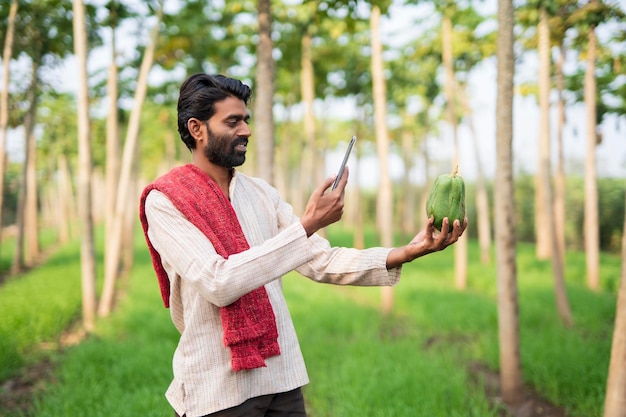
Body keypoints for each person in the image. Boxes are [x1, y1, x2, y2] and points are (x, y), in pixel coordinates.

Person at [139, 73, 467, 417]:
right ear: (197, 128)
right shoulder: (164, 202)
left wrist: (410, 251)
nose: (246, 130)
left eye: (246, 120)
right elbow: (218, 283)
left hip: (282, 377)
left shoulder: (261, 194)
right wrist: (308, 224)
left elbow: (319, 260)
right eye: (233, 121)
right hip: (216, 390)